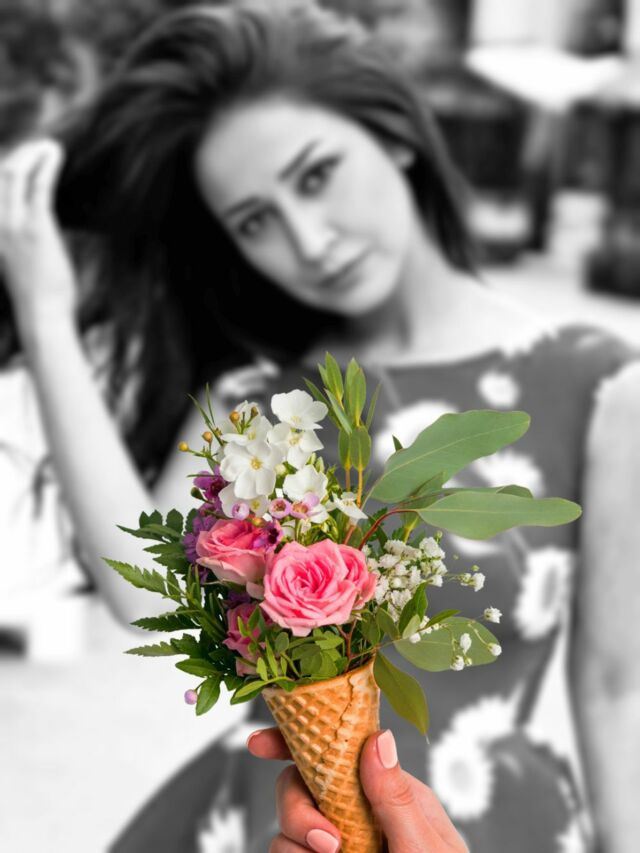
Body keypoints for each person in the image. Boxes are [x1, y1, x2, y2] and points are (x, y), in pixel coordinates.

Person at [1, 1, 639, 850]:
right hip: (273, 822)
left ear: (395, 132)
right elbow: (138, 588)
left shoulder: (601, 385)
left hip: (493, 817)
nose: (308, 241)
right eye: (254, 221)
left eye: (315, 176)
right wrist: (45, 315)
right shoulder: (262, 401)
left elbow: (616, 687)